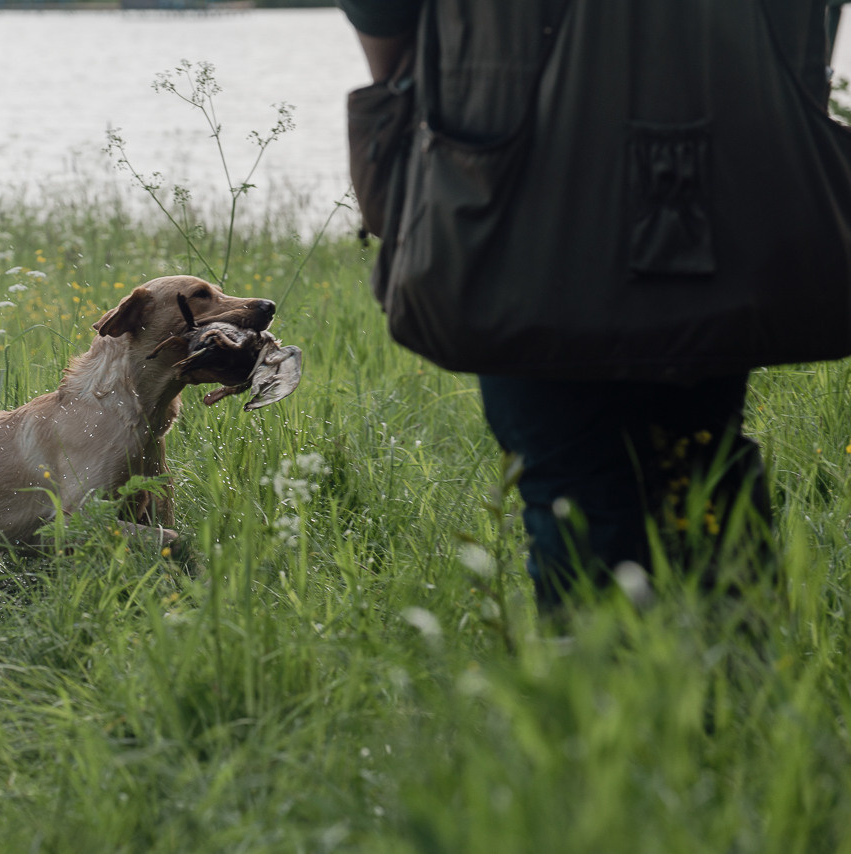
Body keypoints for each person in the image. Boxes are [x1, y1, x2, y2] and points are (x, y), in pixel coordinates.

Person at [336, 1, 807, 623]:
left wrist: (416, 80)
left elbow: (384, 18)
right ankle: (730, 692)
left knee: (571, 470)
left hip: (511, 163)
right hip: (705, 147)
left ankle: (609, 694)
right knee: (698, 449)